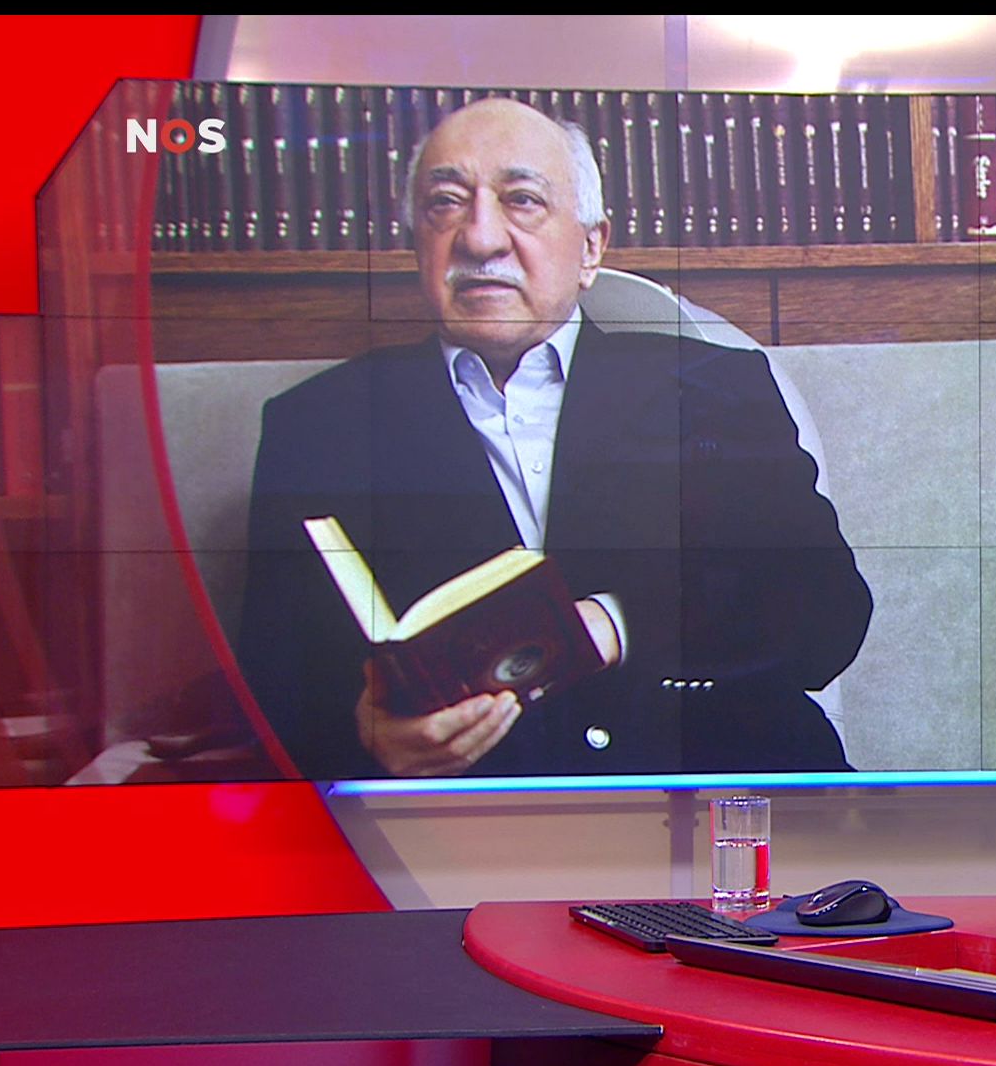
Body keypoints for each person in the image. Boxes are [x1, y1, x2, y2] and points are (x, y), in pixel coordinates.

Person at [238, 97, 872, 780]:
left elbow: (827, 614)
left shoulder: (717, 387)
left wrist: (615, 624)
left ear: (590, 247)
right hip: (467, 821)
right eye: (445, 204)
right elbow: (274, 692)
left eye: (522, 200)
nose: (480, 239)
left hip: (723, 794)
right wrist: (363, 739)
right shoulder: (317, 424)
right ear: (416, 244)